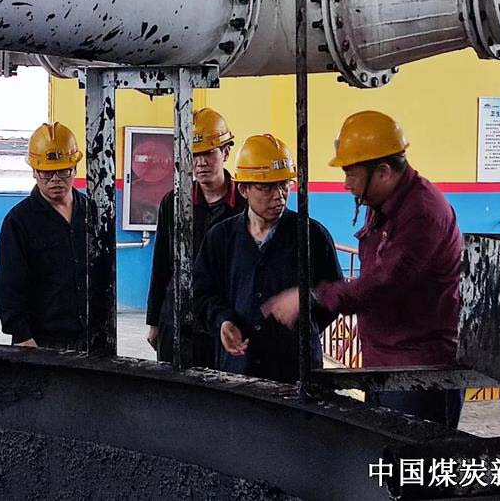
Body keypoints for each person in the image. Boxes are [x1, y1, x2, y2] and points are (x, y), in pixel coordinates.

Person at [263, 111, 464, 427]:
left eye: (351, 174)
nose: (346, 184)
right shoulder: (383, 204)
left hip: (420, 373)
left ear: (383, 172)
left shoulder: (422, 214)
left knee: (413, 453)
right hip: (385, 364)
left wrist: (312, 297)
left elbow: (383, 283)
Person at [193, 134, 342, 383]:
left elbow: (335, 295)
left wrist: (304, 313)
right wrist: (222, 321)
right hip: (239, 368)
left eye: (284, 185)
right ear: (244, 189)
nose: (279, 196)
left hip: (295, 369)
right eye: (266, 187)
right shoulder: (221, 237)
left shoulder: (312, 236)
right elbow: (202, 291)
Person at [146, 108, 246, 365]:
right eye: (194, 154)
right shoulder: (174, 202)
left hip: (227, 323)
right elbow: (162, 264)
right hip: (178, 320)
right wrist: (154, 321)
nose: (200, 162)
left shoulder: (245, 205)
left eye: (208, 153)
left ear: (225, 153)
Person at [0, 122, 89, 350]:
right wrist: (22, 336)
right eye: (47, 173)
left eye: (64, 171)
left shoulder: (93, 213)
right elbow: (8, 287)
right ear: (34, 172)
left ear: (75, 168)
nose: (56, 179)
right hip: (40, 341)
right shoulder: (19, 221)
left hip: (90, 338)